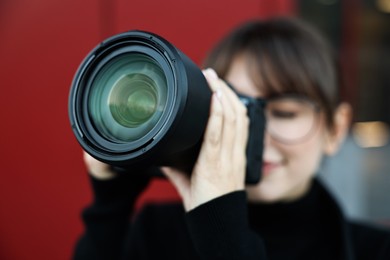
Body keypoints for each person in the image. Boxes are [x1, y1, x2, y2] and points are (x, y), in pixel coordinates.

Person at [73, 17, 390, 260]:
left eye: (285, 113)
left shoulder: (374, 250)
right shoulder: (156, 232)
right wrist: (110, 207)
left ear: (335, 129)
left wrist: (225, 242)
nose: (256, 133)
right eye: (237, 109)